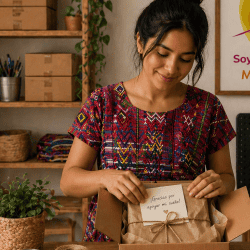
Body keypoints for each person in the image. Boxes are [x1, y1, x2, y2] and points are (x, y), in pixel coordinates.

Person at [60, 0, 236, 242]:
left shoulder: (207, 107)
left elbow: (228, 178)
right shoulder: (103, 102)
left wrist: (219, 183)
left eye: (186, 59)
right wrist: (105, 177)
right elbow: (68, 181)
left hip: (185, 242)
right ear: (140, 42)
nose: (171, 68)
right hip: (112, 243)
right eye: (162, 53)